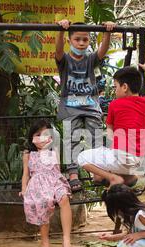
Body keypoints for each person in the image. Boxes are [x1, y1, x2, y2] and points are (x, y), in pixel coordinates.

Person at [77, 60, 145, 187]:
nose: (114, 91)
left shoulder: (115, 104)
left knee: (82, 157)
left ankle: (113, 177)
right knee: (108, 159)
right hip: (138, 162)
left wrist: (111, 150)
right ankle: (128, 177)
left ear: (125, 87)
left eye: (115, 87)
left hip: (121, 159)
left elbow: (110, 130)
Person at [55, 19, 116, 192]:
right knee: (71, 138)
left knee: (96, 136)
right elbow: (58, 50)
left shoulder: (90, 60)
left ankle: (98, 172)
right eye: (77, 39)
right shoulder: (65, 60)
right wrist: (60, 30)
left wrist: (107, 32)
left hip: (90, 105)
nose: (81, 43)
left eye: (85, 39)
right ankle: (73, 173)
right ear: (69, 41)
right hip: (71, 106)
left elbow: (102, 51)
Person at [19, 119, 75, 247]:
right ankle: (45, 244)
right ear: (32, 137)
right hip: (38, 183)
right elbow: (26, 173)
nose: (42, 138)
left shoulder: (53, 151)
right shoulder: (28, 154)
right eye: (38, 135)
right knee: (44, 202)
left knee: (64, 198)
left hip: (55, 180)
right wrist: (24, 189)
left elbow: (57, 170)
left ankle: (66, 241)